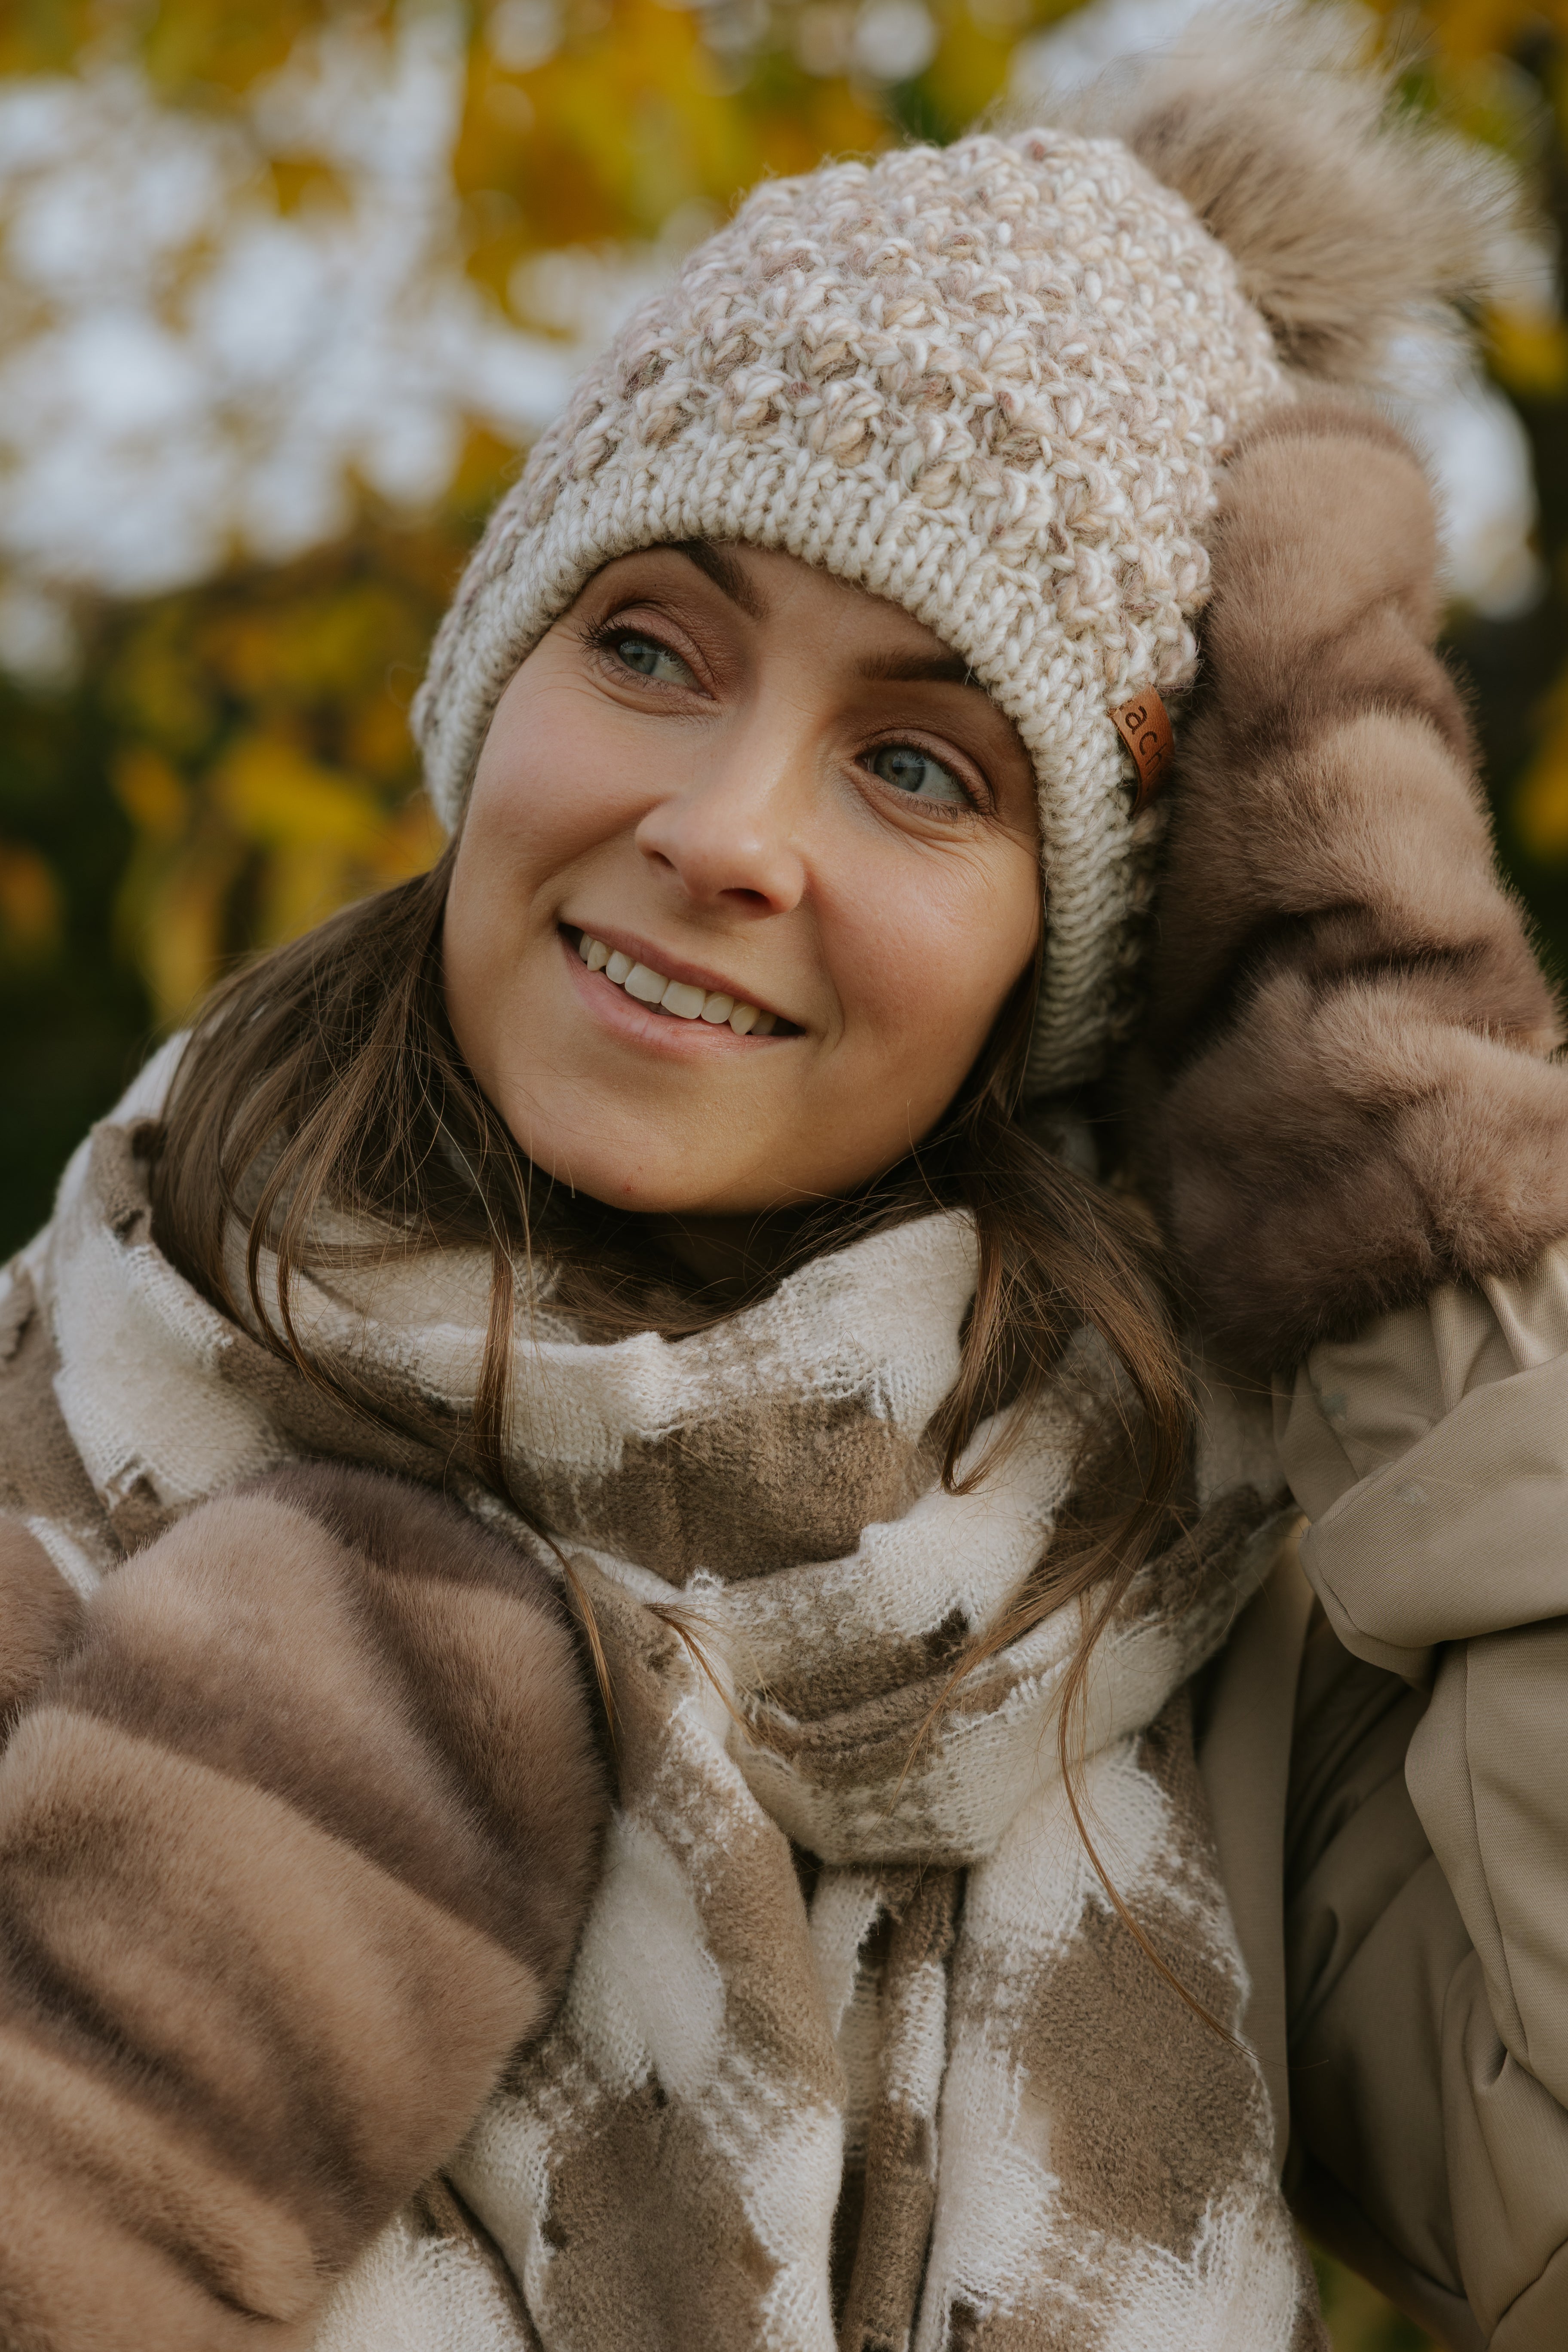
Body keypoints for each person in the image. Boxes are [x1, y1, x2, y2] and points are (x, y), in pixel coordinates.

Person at [1, 7, 1565, 2346]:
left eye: (923, 768)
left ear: (1088, 935)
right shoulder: (75, 1427)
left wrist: (1411, 1166)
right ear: (493, 685)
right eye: (651, 643)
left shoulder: (1184, 1599)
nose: (724, 833)